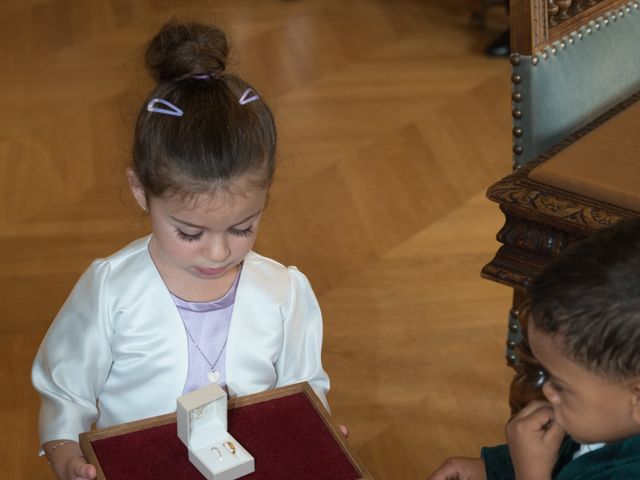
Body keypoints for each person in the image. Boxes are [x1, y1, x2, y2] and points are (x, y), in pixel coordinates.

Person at [32, 20, 330, 480]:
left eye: (242, 227)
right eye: (190, 233)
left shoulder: (283, 292)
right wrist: (65, 454)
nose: (217, 253)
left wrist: (316, 432)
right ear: (140, 190)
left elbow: (303, 389)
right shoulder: (113, 289)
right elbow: (65, 392)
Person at [428, 218, 640, 480]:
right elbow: (566, 450)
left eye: (561, 385)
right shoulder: (607, 416)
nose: (546, 389)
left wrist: (530, 471)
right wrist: (493, 470)